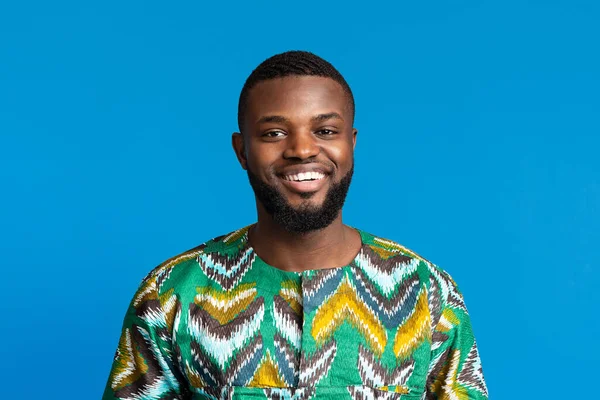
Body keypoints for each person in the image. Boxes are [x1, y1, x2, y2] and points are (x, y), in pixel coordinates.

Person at [102, 51, 488, 400]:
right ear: (242, 152)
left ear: (351, 144)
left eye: (325, 131)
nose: (302, 149)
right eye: (274, 133)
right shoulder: (171, 294)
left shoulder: (427, 293)